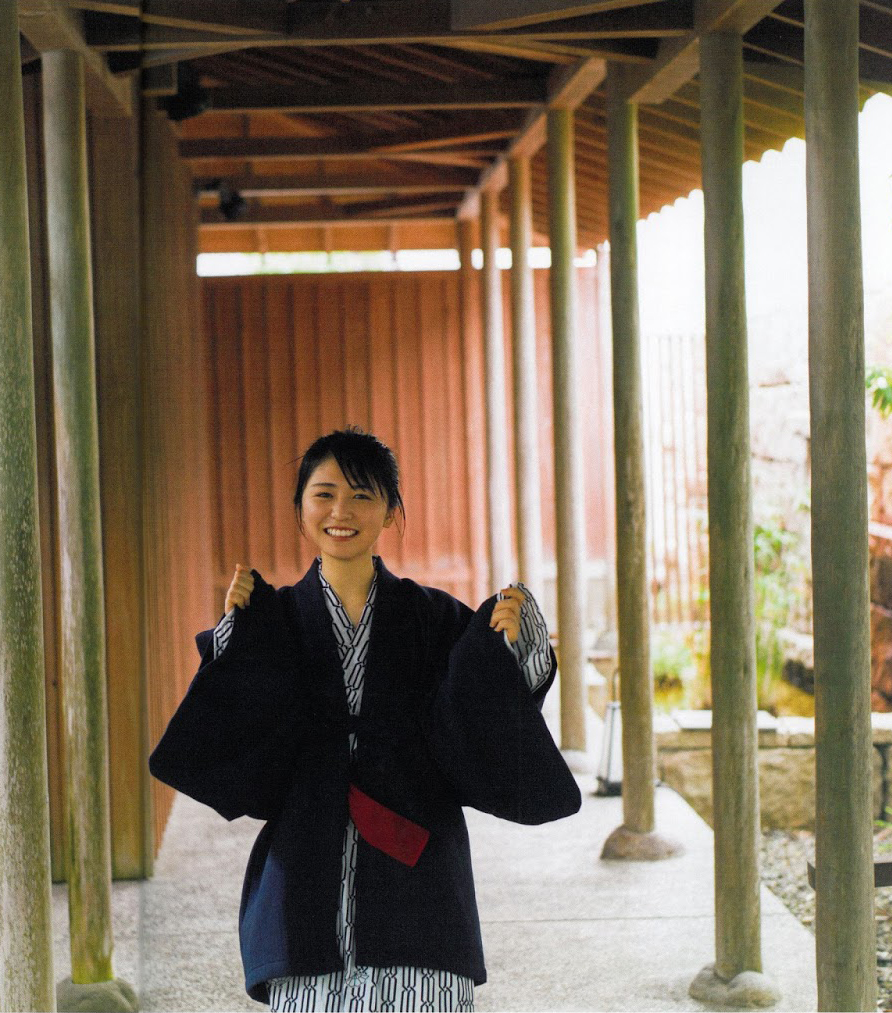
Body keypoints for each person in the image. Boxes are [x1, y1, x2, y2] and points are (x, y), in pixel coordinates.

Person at [150, 427, 581, 1012]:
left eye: (362, 496)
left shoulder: (434, 617)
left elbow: (485, 712)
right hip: (306, 858)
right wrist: (238, 639)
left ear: (390, 511)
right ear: (301, 508)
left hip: (420, 860)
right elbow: (234, 726)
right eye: (324, 494)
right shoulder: (274, 619)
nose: (341, 512)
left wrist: (513, 644)